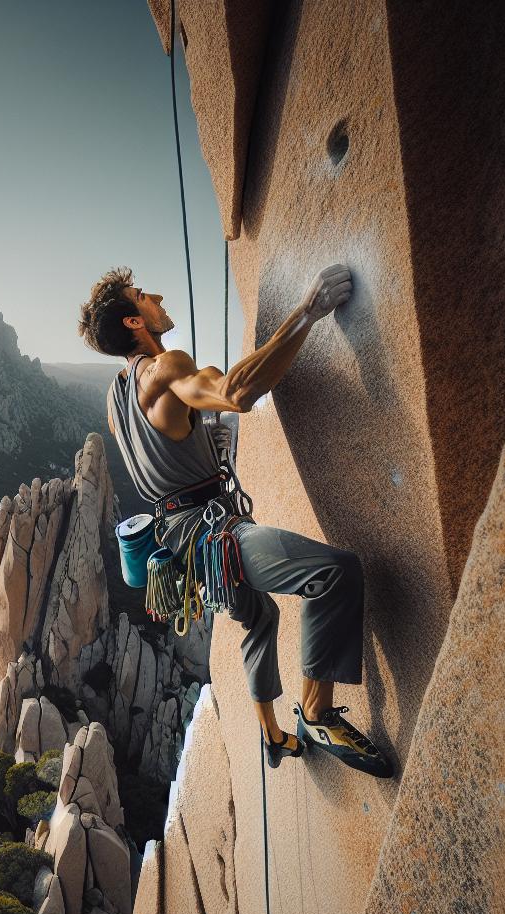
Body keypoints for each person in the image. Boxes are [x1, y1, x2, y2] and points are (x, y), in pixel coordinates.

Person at [79, 264, 392, 777]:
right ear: (135, 323)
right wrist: (306, 314)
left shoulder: (115, 398)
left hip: (182, 546)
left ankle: (272, 734)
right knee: (335, 573)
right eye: (142, 295)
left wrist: (200, 436)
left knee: (260, 618)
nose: (155, 295)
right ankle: (316, 713)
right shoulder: (165, 367)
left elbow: (157, 443)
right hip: (213, 533)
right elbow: (237, 393)